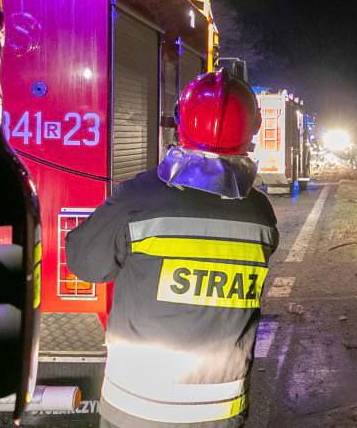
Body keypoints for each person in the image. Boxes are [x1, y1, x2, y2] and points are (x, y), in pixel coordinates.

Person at [66, 69, 277, 428]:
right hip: (220, 412)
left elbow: (85, 264)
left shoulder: (140, 197)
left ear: (180, 124)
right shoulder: (260, 213)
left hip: (136, 409)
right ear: (251, 130)